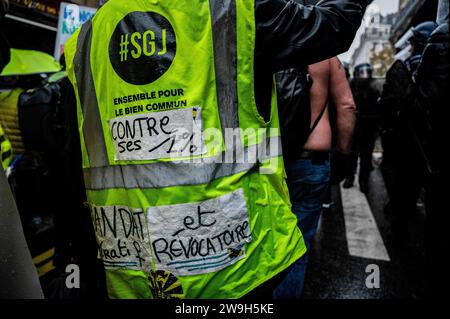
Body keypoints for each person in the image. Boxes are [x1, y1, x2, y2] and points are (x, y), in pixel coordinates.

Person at [63, 0, 367, 299]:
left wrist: (80, 258)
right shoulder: (235, 10)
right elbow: (338, 22)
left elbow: (74, 159)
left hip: (131, 268)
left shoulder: (86, 37)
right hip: (235, 267)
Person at [272, 56, 356, 298]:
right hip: (312, 159)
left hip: (267, 160)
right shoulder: (326, 53)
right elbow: (347, 105)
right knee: (298, 247)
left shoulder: (263, 37)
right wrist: (343, 152)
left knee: (261, 243)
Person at [378, 21, 438, 242]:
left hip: (406, 143)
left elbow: (386, 105)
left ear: (415, 44)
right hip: (432, 145)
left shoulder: (402, 69)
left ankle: (399, 231)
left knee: (402, 188)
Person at [344, 63, 381, 193]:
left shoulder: (374, 87)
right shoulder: (351, 86)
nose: (364, 75)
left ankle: (363, 181)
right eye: (361, 73)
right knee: (351, 154)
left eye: (367, 72)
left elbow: (379, 106)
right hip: (354, 125)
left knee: (366, 156)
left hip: (368, 126)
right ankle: (349, 177)